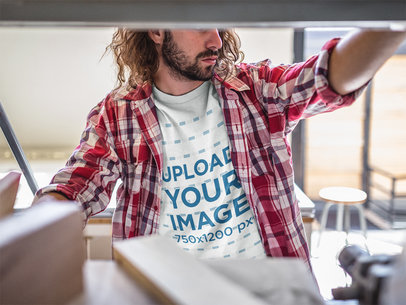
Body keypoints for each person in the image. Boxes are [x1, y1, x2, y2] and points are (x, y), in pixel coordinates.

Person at [34, 28, 406, 270]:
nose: (216, 40)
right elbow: (75, 187)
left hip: (269, 287)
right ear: (158, 31)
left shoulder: (256, 89)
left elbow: (325, 78)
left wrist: (392, 21)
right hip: (165, 289)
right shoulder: (117, 114)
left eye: (217, 25)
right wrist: (32, 226)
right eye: (199, 26)